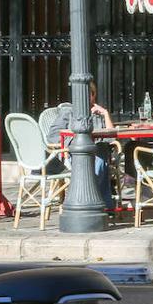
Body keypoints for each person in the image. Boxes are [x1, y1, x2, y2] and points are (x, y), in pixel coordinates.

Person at [44, 80, 116, 210]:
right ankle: (101, 203)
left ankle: (98, 202)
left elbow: (111, 137)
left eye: (90, 94)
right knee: (99, 159)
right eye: (83, 94)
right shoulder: (69, 112)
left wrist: (105, 114)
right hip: (74, 153)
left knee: (101, 153)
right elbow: (53, 135)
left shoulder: (98, 113)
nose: (87, 98)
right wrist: (74, 139)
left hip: (98, 150)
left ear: (94, 95)